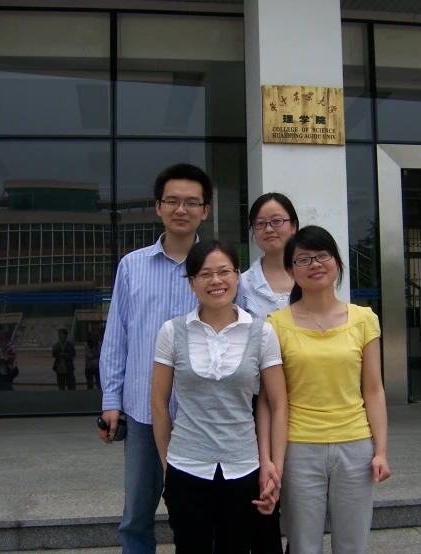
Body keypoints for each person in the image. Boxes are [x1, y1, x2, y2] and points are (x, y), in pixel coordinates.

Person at [98, 163, 212, 553]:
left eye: (192, 202)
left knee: (199, 515)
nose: (182, 209)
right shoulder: (132, 266)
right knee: (136, 516)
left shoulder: (218, 268)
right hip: (144, 412)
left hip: (202, 415)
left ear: (205, 210)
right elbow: (117, 337)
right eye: (173, 201)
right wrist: (110, 401)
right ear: (158, 207)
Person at [151, 240, 288, 554]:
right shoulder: (171, 332)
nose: (216, 281)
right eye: (205, 274)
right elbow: (159, 404)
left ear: (237, 277)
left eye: (224, 271)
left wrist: (273, 467)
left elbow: (278, 404)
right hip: (186, 466)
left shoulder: (261, 332)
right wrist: (167, 464)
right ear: (191, 283)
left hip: (243, 467)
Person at [266, 225, 391, 554]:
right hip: (299, 448)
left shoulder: (364, 319)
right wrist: (274, 461)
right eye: (304, 259)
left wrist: (380, 450)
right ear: (291, 271)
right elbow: (272, 402)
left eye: (323, 255)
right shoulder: (275, 324)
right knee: (304, 546)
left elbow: (374, 390)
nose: (315, 264)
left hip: (356, 447)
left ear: (337, 262)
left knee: (352, 544)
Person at [239, 192, 299, 554]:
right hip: (257, 404)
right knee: (264, 493)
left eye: (278, 221)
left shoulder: (312, 274)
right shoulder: (242, 284)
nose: (269, 229)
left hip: (307, 400)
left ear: (294, 226)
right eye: (260, 223)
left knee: (302, 496)